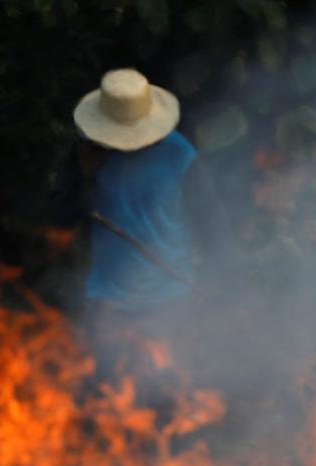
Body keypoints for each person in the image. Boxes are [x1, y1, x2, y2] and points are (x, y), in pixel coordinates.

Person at [47, 69, 235, 330]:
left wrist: (221, 289)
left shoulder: (180, 156)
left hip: (171, 303)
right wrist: (87, 176)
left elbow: (213, 225)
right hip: (107, 305)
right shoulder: (87, 153)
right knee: (102, 371)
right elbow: (61, 218)